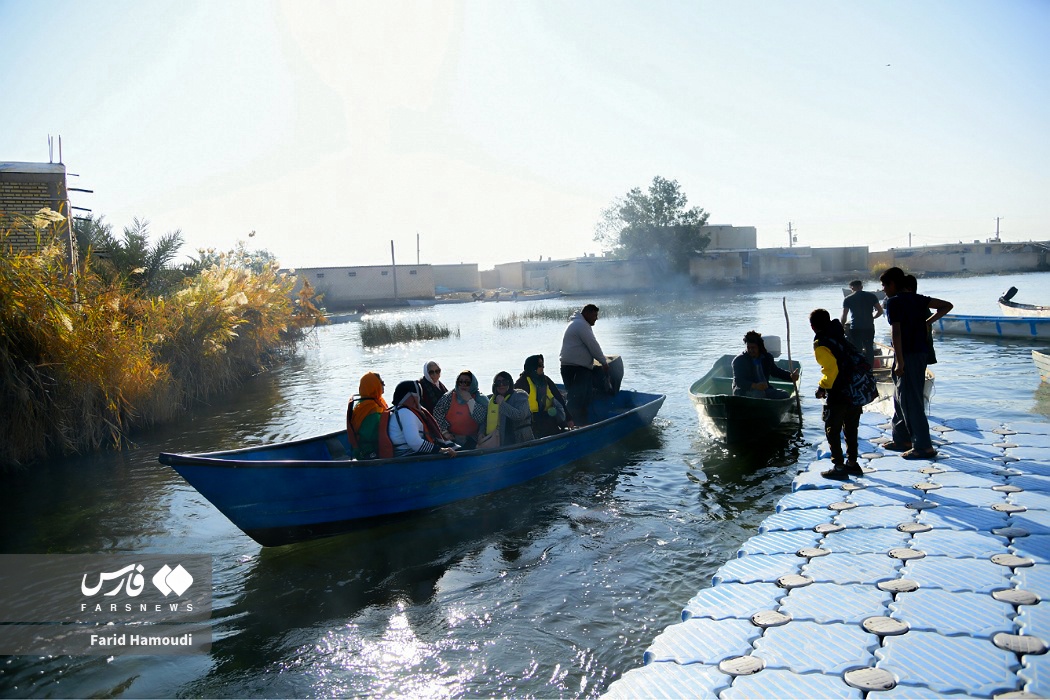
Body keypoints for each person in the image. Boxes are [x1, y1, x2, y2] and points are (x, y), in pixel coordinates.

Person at [880, 266, 953, 460]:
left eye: (884, 286)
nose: (884, 290)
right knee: (900, 397)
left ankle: (923, 446)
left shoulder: (893, 302)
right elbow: (947, 305)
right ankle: (902, 439)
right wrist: (927, 322)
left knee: (911, 401)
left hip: (907, 354)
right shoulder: (920, 299)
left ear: (893, 284)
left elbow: (896, 332)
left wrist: (900, 362)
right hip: (919, 353)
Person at [810, 310, 864, 480]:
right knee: (851, 428)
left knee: (832, 430)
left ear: (813, 327)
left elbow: (831, 370)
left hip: (839, 392)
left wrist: (822, 387)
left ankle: (839, 467)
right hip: (855, 389)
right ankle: (852, 464)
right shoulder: (841, 336)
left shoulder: (821, 343)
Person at [560, 304, 609, 425]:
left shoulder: (578, 323)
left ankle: (581, 423)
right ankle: (571, 424)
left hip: (572, 367)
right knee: (576, 399)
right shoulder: (581, 325)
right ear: (586, 313)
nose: (596, 318)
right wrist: (603, 362)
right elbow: (593, 345)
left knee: (582, 398)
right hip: (576, 368)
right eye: (594, 315)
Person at [387, 380, 457, 457]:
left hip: (408, 452)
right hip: (408, 454)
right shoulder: (406, 413)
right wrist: (441, 450)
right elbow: (414, 442)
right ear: (413, 396)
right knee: (455, 450)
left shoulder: (397, 410)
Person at [515, 354, 571, 438]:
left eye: (543, 364)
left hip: (548, 418)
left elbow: (558, 397)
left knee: (551, 422)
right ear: (532, 367)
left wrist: (569, 418)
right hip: (531, 423)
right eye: (540, 365)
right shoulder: (522, 383)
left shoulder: (545, 379)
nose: (543, 367)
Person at [731, 330, 801, 398]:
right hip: (743, 392)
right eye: (748, 348)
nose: (751, 350)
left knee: (784, 395)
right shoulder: (739, 360)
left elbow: (775, 372)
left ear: (759, 347)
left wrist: (791, 376)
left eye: (753, 348)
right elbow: (739, 382)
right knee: (758, 394)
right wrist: (755, 386)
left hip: (764, 390)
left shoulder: (767, 357)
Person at [432, 370, 488, 449]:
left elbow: (481, 419)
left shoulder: (481, 399)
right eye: (460, 382)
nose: (463, 385)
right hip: (451, 437)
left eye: (467, 382)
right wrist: (445, 432)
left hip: (473, 438)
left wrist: (470, 400)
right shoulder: (448, 396)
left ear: (472, 384)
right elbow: (437, 413)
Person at [481, 371, 534, 446]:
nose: (501, 385)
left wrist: (502, 404)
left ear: (510, 383)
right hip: (495, 443)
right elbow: (484, 421)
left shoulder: (520, 396)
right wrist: (481, 433)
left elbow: (520, 416)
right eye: (498, 383)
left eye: (505, 382)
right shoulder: (490, 400)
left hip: (519, 442)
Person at [841, 280, 883, 367]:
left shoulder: (848, 299)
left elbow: (844, 316)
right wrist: (873, 317)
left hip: (855, 328)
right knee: (869, 348)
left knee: (858, 349)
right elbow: (880, 311)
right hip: (869, 327)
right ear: (861, 287)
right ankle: (870, 368)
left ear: (852, 288)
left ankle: (860, 368)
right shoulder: (871, 296)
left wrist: (842, 326)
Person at [348, 371, 387, 458]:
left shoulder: (364, 403)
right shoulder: (370, 409)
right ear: (373, 386)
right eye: (382, 383)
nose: (384, 385)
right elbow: (373, 436)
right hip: (369, 452)